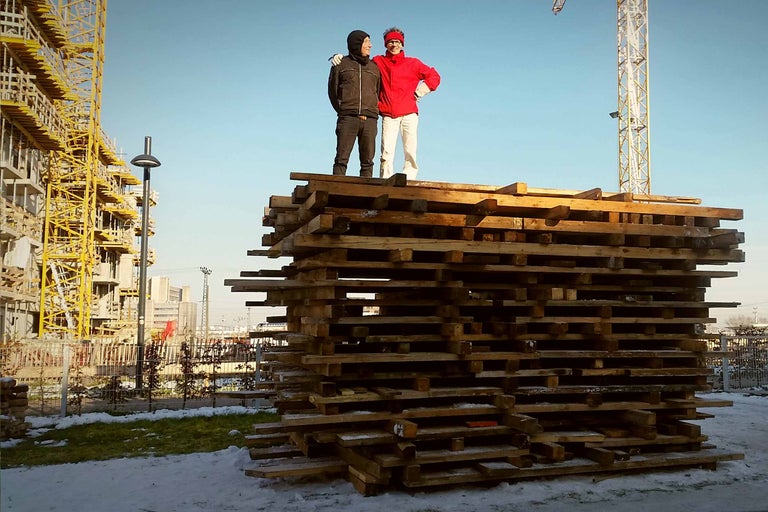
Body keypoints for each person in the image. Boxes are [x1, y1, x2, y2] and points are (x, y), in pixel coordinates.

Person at [332, 27, 440, 179]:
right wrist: (340, 57)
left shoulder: (413, 63)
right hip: (389, 113)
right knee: (386, 153)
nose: (394, 45)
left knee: (410, 150)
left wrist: (420, 91)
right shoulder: (378, 61)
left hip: (409, 112)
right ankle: (385, 180)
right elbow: (358, 61)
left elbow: (434, 76)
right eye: (390, 42)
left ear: (402, 44)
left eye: (397, 42)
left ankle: (409, 179)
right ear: (385, 45)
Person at [328, 30, 381, 177]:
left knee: (368, 162)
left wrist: (371, 110)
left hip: (370, 120)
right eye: (366, 42)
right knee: (341, 159)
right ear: (357, 44)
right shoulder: (340, 64)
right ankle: (335, 192)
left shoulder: (374, 67)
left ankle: (366, 195)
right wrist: (344, 110)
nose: (370, 45)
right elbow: (333, 91)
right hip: (348, 118)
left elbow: (378, 90)